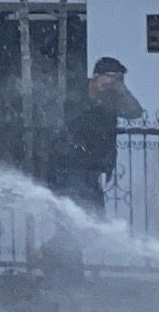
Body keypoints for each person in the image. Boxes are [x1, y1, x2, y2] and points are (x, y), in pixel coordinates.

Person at [45, 58, 136, 210]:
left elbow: (134, 112)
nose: (114, 83)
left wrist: (123, 91)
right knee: (74, 216)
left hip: (94, 169)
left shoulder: (112, 99)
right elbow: (69, 121)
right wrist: (96, 104)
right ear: (96, 77)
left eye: (119, 79)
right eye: (112, 78)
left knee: (93, 216)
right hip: (69, 166)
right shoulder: (75, 92)